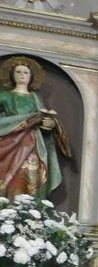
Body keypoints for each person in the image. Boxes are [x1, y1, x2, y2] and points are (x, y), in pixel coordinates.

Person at [0, 56, 68, 199]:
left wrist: (49, 125)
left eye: (25, 72)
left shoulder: (36, 99)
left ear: (31, 77)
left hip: (32, 142)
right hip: (9, 142)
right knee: (8, 174)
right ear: (12, 75)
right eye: (18, 72)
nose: (22, 75)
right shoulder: (5, 96)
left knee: (30, 174)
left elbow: (43, 122)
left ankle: (28, 208)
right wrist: (17, 122)